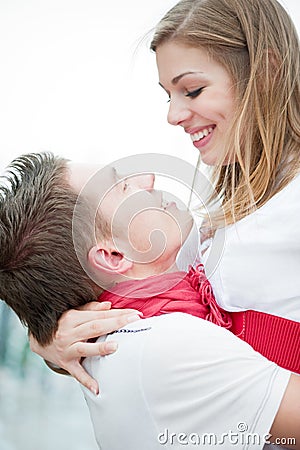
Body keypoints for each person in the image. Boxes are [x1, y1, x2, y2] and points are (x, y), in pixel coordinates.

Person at [30, 0, 300, 392]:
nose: (173, 115)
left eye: (192, 89)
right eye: (168, 95)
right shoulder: (219, 214)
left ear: (267, 72)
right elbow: (147, 299)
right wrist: (50, 340)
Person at [0, 152, 299, 450]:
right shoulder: (168, 344)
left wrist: (43, 337)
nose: (149, 178)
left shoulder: (138, 328)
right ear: (113, 256)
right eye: (123, 188)